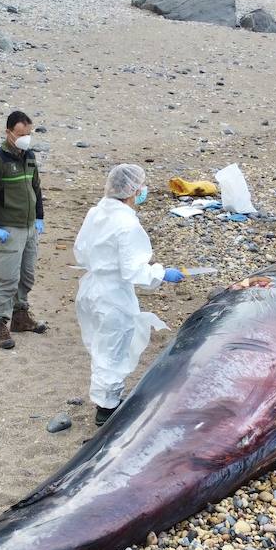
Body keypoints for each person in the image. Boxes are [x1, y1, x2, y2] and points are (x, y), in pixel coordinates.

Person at [73, 164, 185, 426]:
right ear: (133, 190)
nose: (143, 190)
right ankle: (107, 410)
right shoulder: (126, 222)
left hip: (91, 289)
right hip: (113, 295)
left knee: (102, 347)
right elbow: (134, 271)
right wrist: (160, 273)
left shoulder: (96, 212)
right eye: (141, 186)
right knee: (113, 350)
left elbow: (81, 251)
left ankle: (106, 400)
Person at [0, 110, 47, 350]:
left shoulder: (29, 157)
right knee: (8, 278)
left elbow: (35, 188)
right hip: (10, 228)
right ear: (8, 132)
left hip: (30, 227)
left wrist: (39, 216)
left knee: (26, 275)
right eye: (21, 134)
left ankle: (20, 316)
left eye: (28, 134)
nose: (25, 138)